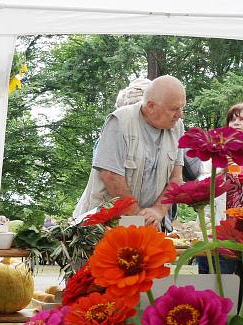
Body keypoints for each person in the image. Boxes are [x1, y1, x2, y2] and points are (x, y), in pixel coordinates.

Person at [73, 75, 185, 230]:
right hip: (106, 223)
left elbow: (176, 178)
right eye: (174, 109)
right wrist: (138, 219)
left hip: (148, 224)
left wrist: (158, 210)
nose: (180, 115)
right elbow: (110, 176)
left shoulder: (177, 127)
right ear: (151, 106)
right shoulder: (119, 122)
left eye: (181, 108)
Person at [197, 102, 243, 276]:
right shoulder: (216, 150)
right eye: (232, 119)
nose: (236, 123)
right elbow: (203, 183)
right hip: (220, 226)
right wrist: (220, 172)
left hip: (241, 229)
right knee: (218, 278)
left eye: (242, 119)